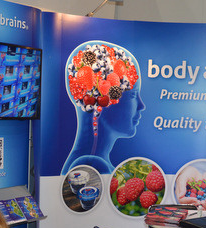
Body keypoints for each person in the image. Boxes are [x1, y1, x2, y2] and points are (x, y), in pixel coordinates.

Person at [61, 41, 145, 175]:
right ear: (101, 101)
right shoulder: (93, 167)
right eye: (133, 95)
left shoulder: (90, 164)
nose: (141, 106)